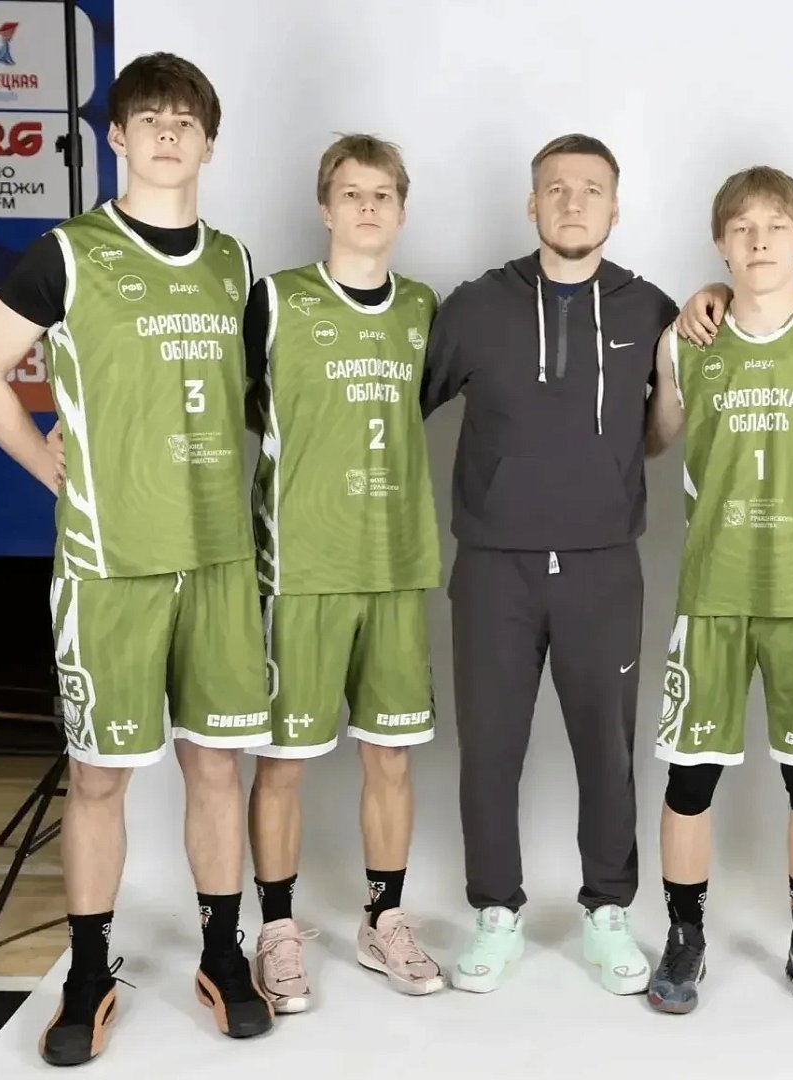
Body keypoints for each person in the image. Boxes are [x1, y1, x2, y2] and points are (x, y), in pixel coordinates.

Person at [0, 53, 275, 1065]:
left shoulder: (234, 264)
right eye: (150, 118)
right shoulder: (69, 252)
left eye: (186, 121)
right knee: (99, 777)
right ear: (119, 137)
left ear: (209, 144)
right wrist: (44, 462)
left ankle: (221, 953)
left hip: (217, 559)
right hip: (111, 560)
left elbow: (254, 400)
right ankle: (89, 968)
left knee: (215, 765)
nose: (168, 134)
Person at [420, 133, 679, 994]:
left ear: (615, 207)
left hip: (603, 564)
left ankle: (607, 910)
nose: (572, 202)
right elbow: (392, 406)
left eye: (590, 189)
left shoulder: (649, 309)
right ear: (532, 204)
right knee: (490, 747)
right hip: (494, 564)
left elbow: (663, 422)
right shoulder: (474, 307)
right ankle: (495, 911)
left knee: (606, 747)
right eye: (556, 188)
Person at [644, 167, 793, 1016]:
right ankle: (684, 936)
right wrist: (687, 314)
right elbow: (650, 440)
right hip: (712, 592)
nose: (758, 241)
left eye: (775, 226)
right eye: (741, 228)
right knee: (690, 781)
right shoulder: (686, 342)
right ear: (720, 242)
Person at [242, 134, 445, 1011]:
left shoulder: (424, 309)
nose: (367, 207)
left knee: (389, 758)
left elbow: (426, 403)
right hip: (301, 568)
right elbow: (222, 397)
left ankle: (383, 918)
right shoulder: (276, 299)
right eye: (351, 193)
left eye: (382, 194)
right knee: (282, 763)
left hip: (394, 564)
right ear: (324, 208)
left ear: (400, 210)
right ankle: (276, 928)